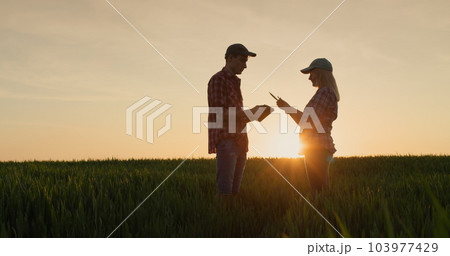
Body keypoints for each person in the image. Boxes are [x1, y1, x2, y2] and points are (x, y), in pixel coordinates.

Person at [208, 43, 272, 196]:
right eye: (242, 61)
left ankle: (230, 218)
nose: (245, 66)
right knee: (225, 194)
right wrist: (250, 112)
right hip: (227, 140)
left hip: (240, 141)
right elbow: (218, 114)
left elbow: (234, 115)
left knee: (234, 194)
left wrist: (254, 115)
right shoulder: (218, 80)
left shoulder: (233, 82)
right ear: (230, 58)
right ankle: (222, 219)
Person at [276, 58, 339, 192]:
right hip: (318, 147)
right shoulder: (325, 92)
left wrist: (287, 108)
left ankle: (323, 210)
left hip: (318, 147)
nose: (309, 78)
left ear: (321, 73)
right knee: (319, 189)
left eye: (312, 73)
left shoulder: (325, 92)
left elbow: (308, 121)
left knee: (319, 189)